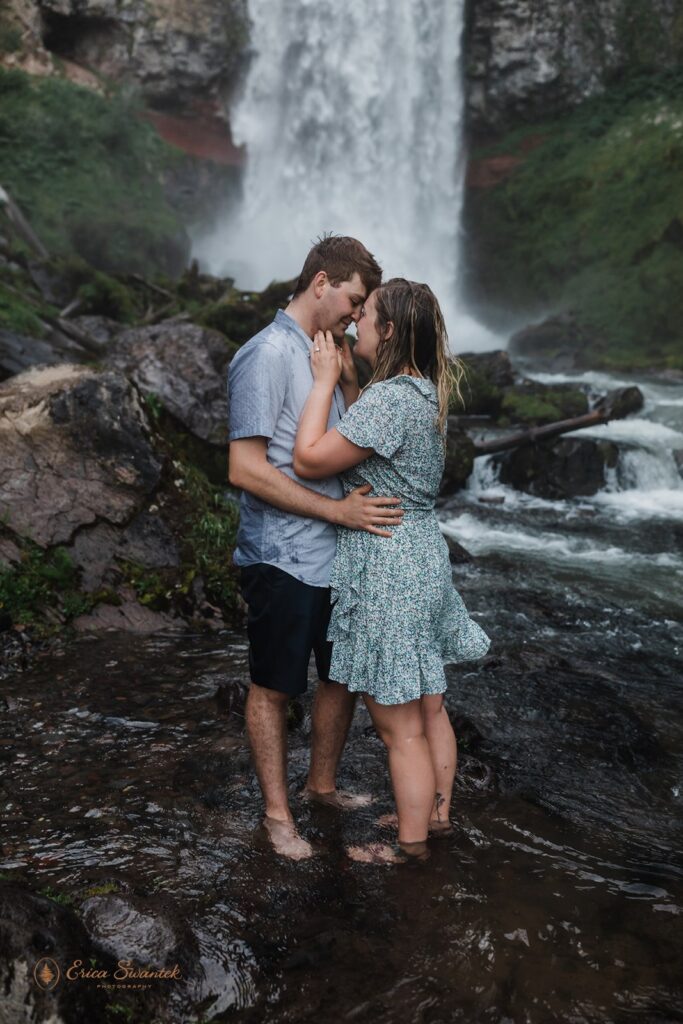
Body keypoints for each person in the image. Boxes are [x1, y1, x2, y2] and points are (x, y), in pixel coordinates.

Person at [293, 278, 491, 862]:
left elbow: (308, 460)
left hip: (390, 566)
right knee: (430, 704)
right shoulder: (424, 393)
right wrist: (353, 384)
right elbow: (377, 447)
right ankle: (435, 813)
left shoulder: (388, 402)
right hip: (425, 556)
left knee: (398, 727)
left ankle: (409, 848)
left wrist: (327, 380)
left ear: (391, 330)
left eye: (366, 316)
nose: (355, 324)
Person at [227, 236, 405, 861]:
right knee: (274, 686)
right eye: (355, 302)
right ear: (322, 281)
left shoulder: (327, 354)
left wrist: (350, 383)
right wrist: (337, 510)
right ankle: (278, 816)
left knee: (340, 676)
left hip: (337, 552)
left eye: (363, 310)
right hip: (280, 555)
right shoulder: (267, 355)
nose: (358, 317)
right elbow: (246, 469)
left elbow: (351, 446)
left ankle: (321, 786)